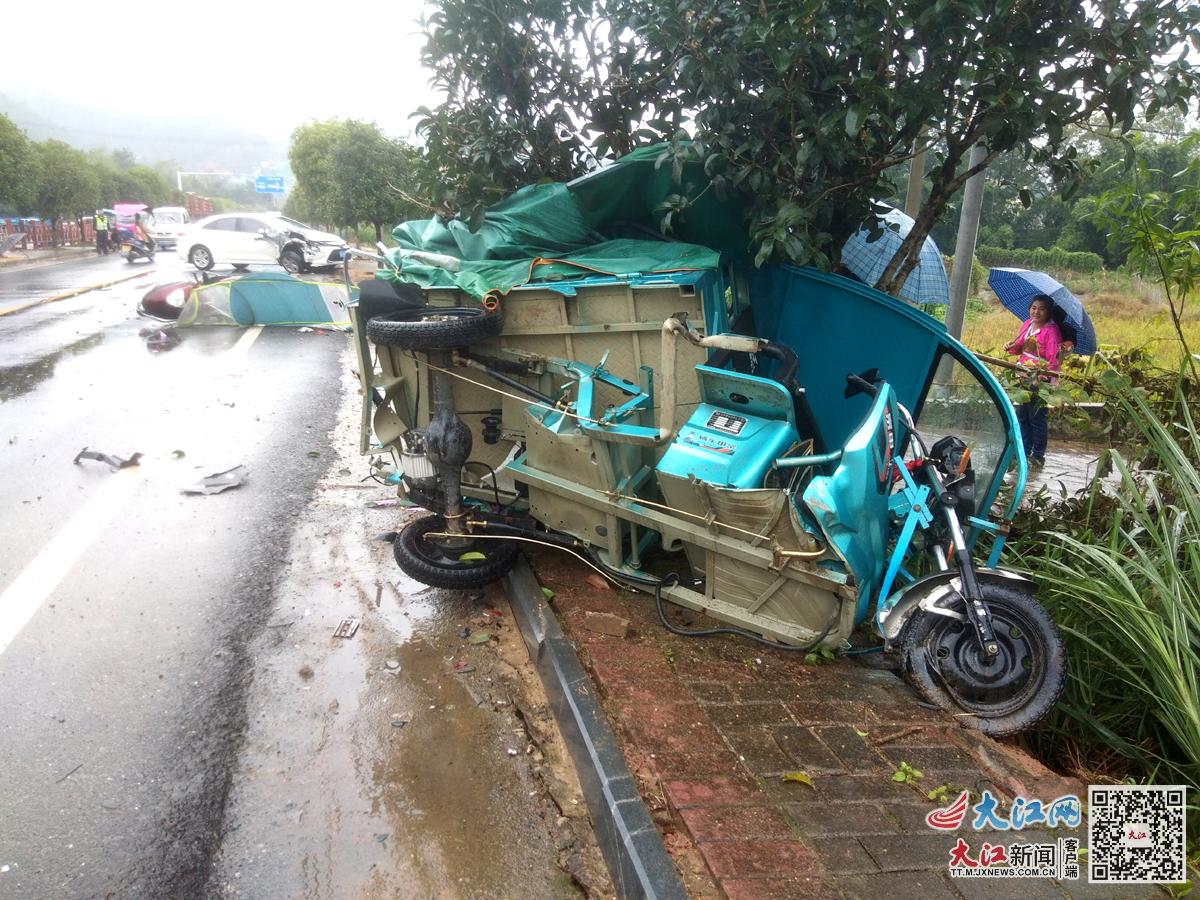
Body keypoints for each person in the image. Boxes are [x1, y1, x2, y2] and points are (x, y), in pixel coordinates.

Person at [1004, 294, 1063, 468]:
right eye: (1034, 308)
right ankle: (1024, 451)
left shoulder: (1051, 332)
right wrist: (1010, 346)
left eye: (1042, 309)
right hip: (1022, 376)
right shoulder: (1027, 325)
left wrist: (1047, 379)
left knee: (1036, 418)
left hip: (1039, 380)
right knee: (1022, 415)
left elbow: (1054, 360)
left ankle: (1038, 456)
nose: (1036, 312)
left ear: (1048, 312)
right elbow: (1019, 347)